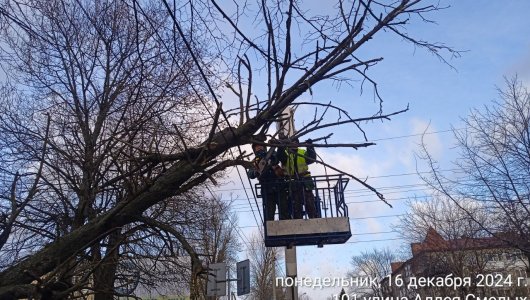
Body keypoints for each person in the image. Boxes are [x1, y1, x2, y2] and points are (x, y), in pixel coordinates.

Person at [278, 138, 318, 219]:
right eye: (292, 142)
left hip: (305, 181)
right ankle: (298, 221)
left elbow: (312, 158)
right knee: (296, 206)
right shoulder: (286, 153)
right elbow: (280, 157)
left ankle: (314, 219)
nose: (294, 144)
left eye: (296, 142)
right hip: (293, 182)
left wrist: (310, 147)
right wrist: (280, 146)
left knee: (310, 203)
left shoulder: (302, 152)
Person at [247, 143, 289, 221]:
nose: (259, 147)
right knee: (269, 212)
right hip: (266, 188)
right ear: (254, 149)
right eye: (256, 147)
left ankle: (285, 228)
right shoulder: (254, 161)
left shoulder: (272, 154)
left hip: (279, 185)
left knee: (284, 209)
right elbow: (250, 174)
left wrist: (272, 158)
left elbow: (280, 158)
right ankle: (270, 229)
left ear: (264, 147)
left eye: (260, 145)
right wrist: (255, 172)